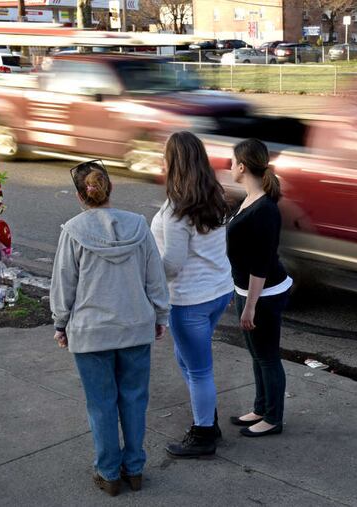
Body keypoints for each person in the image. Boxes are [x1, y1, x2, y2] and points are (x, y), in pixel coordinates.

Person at [50, 160, 169, 497]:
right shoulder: (139, 226)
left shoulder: (73, 231)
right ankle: (134, 469)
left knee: (100, 404)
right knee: (134, 399)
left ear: (79, 196)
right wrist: (160, 316)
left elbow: (64, 286)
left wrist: (61, 324)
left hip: (90, 333)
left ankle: (108, 472)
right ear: (109, 189)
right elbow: (154, 278)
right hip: (135, 326)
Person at [151, 131, 234, 458]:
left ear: (175, 162)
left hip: (190, 301)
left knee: (198, 369)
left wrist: (146, 272)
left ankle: (204, 434)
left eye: (165, 155)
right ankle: (206, 417)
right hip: (218, 292)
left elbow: (172, 264)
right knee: (186, 359)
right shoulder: (212, 195)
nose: (161, 159)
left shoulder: (176, 210)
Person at [226, 138, 292, 437]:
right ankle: (261, 407)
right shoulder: (250, 198)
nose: (229, 166)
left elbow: (261, 263)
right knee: (257, 355)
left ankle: (274, 418)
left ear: (242, 166)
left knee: (267, 356)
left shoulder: (265, 208)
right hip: (248, 291)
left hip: (264, 294)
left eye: (232, 162)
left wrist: (251, 305)